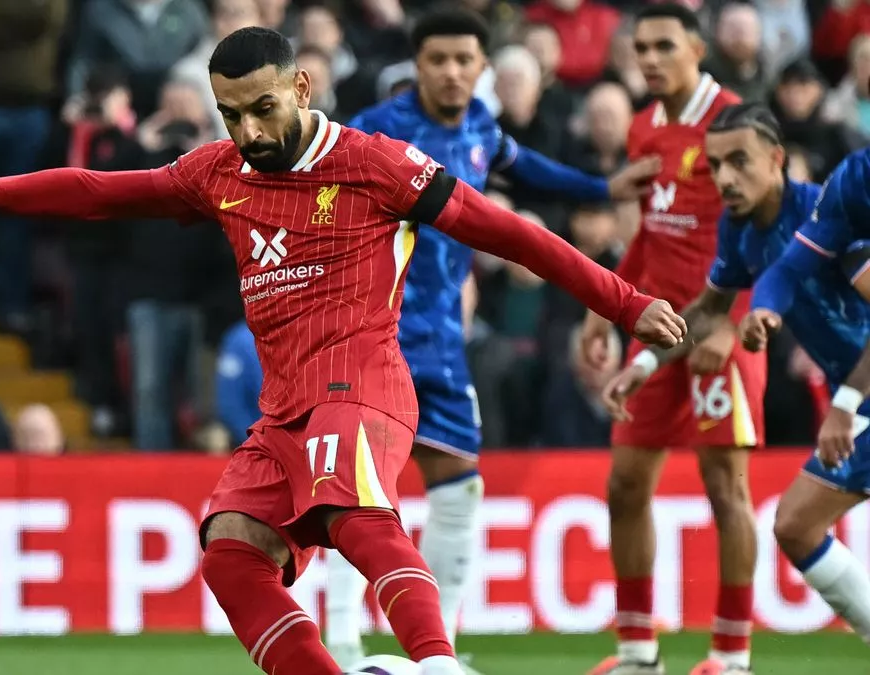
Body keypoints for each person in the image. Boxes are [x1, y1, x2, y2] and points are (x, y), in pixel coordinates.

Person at [0, 27, 685, 675]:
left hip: (361, 382)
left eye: (262, 107)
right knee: (230, 550)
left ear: (302, 86)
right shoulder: (217, 172)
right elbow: (95, 193)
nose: (248, 130)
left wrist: (627, 301)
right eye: (232, 114)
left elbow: (515, 235)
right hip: (284, 403)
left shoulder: (379, 166)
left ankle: (438, 664)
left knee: (349, 509)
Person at [325, 9, 659, 668]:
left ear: (481, 68)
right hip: (369, 335)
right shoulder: (372, 132)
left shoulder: (480, 126)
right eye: (438, 60)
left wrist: (599, 186)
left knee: (458, 486)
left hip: (444, 339)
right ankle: (339, 640)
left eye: (463, 61)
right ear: (415, 68)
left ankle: (437, 650)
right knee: (357, 493)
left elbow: (525, 166)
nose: (451, 72)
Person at [606, 105, 870, 653]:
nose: (724, 177)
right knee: (796, 526)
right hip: (859, 398)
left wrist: (844, 405)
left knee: (794, 522)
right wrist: (646, 364)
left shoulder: (831, 218)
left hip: (858, 397)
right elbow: (706, 312)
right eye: (716, 165)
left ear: (776, 159)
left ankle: (731, 658)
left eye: (739, 162)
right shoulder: (742, 230)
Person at [576, 6, 758, 674]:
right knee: (625, 485)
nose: (650, 59)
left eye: (664, 46)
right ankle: (636, 653)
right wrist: (605, 305)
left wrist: (735, 323)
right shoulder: (645, 126)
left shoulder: (735, 121)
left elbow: (768, 227)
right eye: (641, 47)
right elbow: (652, 230)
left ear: (698, 49)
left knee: (724, 488)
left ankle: (731, 657)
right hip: (657, 324)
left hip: (718, 327)